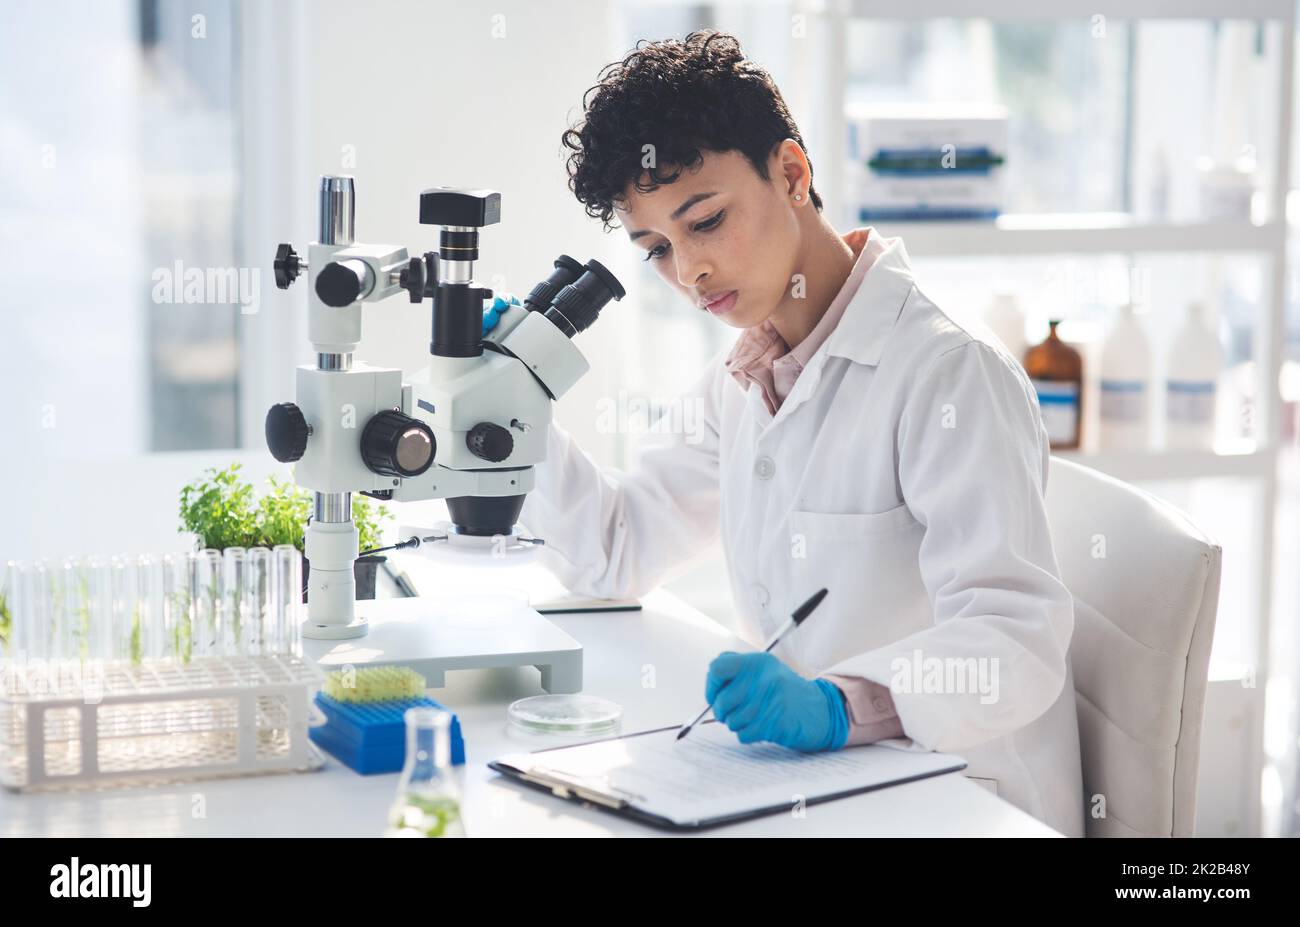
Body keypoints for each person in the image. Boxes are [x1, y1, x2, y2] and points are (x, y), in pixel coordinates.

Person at [518, 30, 1085, 837]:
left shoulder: (948, 371)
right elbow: (617, 549)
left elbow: (1017, 640)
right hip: (819, 788)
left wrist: (840, 703)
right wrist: (519, 409)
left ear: (791, 173)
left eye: (706, 221)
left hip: (961, 797)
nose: (689, 272)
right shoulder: (746, 374)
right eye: (656, 250)